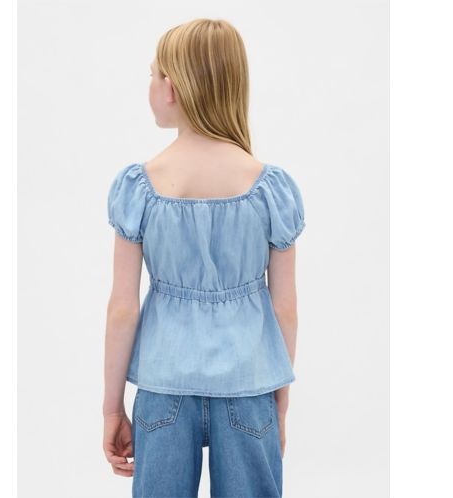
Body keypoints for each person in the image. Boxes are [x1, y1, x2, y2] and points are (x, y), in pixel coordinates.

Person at [102, 18, 306, 498]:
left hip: (164, 386)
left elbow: (122, 309)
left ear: (170, 88)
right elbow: (285, 309)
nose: (150, 85)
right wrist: (280, 402)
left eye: (152, 75)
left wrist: (112, 408)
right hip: (250, 385)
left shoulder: (139, 188)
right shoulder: (270, 189)